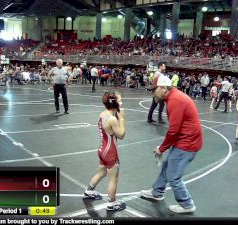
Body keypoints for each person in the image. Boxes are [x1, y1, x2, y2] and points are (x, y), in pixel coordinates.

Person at [141, 75, 203, 214]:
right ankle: (156, 192)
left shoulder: (175, 100)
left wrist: (161, 149)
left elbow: (174, 130)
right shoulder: (173, 97)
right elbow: (176, 129)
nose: (153, 93)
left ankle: (187, 204)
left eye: (154, 89)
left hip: (187, 143)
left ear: (163, 88)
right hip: (184, 140)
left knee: (173, 176)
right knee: (167, 166)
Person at [84, 92, 126, 211]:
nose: (121, 102)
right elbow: (121, 135)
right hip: (110, 152)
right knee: (114, 179)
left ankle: (89, 191)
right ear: (115, 103)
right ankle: (112, 204)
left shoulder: (103, 114)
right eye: (120, 100)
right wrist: (122, 119)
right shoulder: (112, 119)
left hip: (102, 149)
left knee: (102, 172)